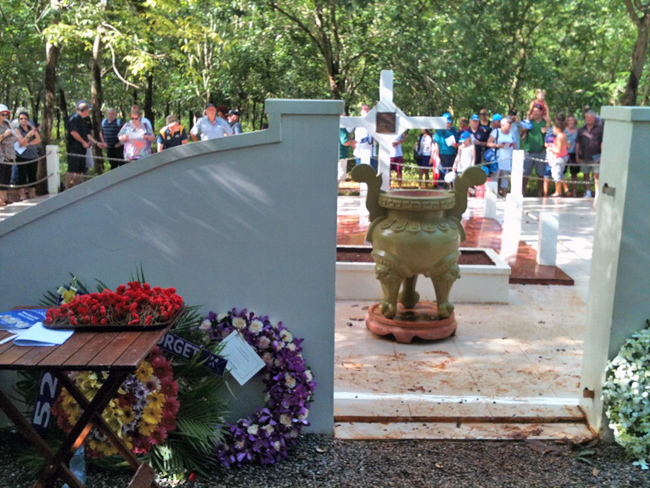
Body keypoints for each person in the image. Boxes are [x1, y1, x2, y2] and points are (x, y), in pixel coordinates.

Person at [66, 101, 102, 189]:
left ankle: (75, 188)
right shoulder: (74, 118)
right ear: (86, 110)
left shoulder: (82, 120)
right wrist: (83, 142)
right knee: (72, 169)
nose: (88, 112)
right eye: (88, 110)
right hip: (74, 148)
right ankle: (66, 187)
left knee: (80, 169)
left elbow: (86, 134)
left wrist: (95, 142)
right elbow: (73, 132)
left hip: (82, 149)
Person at [521, 104, 550, 196]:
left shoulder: (545, 123)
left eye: (537, 111)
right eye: (534, 111)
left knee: (540, 173)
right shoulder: (529, 122)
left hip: (541, 151)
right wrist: (526, 124)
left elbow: (551, 134)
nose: (535, 113)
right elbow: (522, 134)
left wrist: (547, 128)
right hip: (529, 150)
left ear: (541, 112)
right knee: (525, 172)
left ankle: (540, 192)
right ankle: (523, 191)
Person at [575, 110, 603, 199]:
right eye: (587, 117)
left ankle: (597, 193)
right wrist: (577, 155)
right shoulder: (581, 129)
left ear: (594, 119)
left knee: (596, 175)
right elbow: (577, 143)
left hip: (596, 156)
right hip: (584, 156)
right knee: (585, 174)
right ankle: (588, 192)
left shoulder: (599, 129)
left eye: (590, 117)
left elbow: (603, 142)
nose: (588, 119)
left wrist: (602, 155)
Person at [14, 109, 41, 200]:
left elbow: (38, 139)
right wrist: (28, 136)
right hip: (22, 156)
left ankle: (32, 193)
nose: (23, 120)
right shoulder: (17, 130)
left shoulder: (31, 128)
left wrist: (30, 143)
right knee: (22, 175)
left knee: (32, 174)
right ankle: (22, 194)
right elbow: (22, 143)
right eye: (21, 119)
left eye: (25, 119)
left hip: (33, 155)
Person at [487, 115, 516, 197]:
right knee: (495, 178)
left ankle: (504, 195)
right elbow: (488, 143)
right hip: (498, 158)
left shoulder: (512, 133)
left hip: (508, 159)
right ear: (503, 124)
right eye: (508, 123)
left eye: (511, 123)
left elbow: (514, 144)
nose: (510, 125)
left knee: (505, 178)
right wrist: (498, 146)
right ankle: (492, 196)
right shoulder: (496, 132)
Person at [432, 112, 458, 185]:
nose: (448, 124)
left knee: (452, 173)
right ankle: (441, 189)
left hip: (452, 154)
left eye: (449, 122)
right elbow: (436, 144)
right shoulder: (439, 131)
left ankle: (452, 189)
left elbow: (458, 142)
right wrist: (437, 156)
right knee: (442, 173)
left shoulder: (453, 130)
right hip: (443, 154)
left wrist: (456, 145)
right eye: (446, 122)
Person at [547, 119, 570, 197]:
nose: (553, 130)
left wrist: (551, 148)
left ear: (557, 128)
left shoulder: (560, 137)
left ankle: (558, 192)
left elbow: (559, 151)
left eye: (553, 128)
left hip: (559, 157)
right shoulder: (563, 135)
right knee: (560, 174)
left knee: (556, 174)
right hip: (563, 156)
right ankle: (563, 190)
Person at [0, 105, 17, 205]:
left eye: (6, 114)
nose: (5, 116)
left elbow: (15, 136)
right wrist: (4, 135)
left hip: (9, 154)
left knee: (7, 177)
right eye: (3, 114)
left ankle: (5, 197)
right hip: (0, 155)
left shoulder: (7, 124)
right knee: (0, 177)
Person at [353, 105, 376, 172]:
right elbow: (346, 131)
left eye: (368, 109)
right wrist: (351, 142)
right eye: (364, 109)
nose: (366, 111)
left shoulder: (374, 123)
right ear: (360, 111)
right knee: (360, 174)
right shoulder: (356, 121)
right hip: (359, 153)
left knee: (372, 174)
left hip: (372, 153)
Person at [564, 114, 579, 197]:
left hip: (574, 153)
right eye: (569, 120)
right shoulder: (564, 131)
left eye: (572, 120)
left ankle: (574, 192)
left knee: (574, 173)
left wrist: (577, 155)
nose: (571, 122)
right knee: (562, 173)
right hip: (564, 153)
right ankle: (565, 190)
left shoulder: (578, 131)